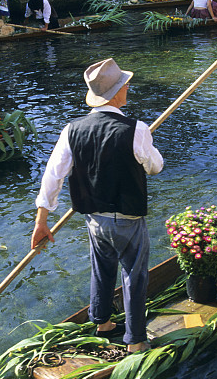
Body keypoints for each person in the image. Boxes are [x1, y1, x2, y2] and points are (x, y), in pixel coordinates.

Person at [32, 58, 163, 353]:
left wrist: (41, 221)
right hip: (127, 218)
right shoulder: (136, 129)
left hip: (95, 220)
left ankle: (102, 322)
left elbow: (53, 176)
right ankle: (136, 341)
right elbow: (155, 167)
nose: (128, 87)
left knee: (102, 269)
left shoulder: (71, 130)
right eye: (124, 84)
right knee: (134, 275)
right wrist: (148, 145)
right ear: (117, 92)